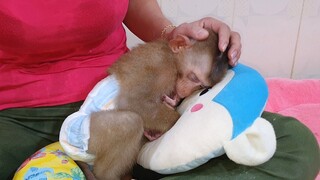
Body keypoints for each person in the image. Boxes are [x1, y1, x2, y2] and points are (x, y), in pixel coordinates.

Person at [0, 0, 318, 180]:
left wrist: (179, 36)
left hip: (129, 104)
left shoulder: (165, 72)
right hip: (18, 114)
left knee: (290, 143)